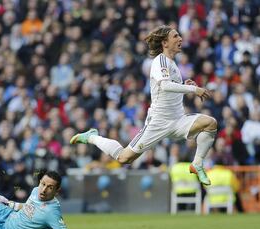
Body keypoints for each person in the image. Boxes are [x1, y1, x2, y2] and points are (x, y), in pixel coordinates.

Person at [70, 25, 217, 185]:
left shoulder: (172, 64)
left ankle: (197, 164)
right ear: (164, 43)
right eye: (175, 36)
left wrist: (184, 85)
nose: (180, 39)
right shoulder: (159, 61)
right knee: (124, 157)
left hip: (177, 120)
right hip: (158, 122)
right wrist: (193, 89)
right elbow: (165, 86)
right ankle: (92, 137)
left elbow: (169, 90)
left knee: (210, 123)